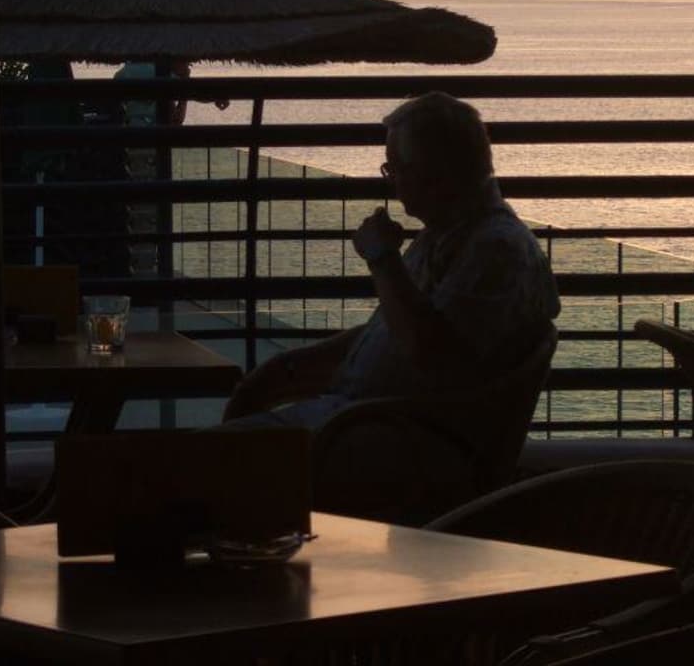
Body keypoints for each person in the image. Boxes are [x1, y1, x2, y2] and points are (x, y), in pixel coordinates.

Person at [224, 91, 560, 430]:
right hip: (362, 424)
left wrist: (383, 258)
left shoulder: (495, 251)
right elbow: (395, 329)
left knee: (209, 451)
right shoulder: (451, 236)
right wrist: (281, 370)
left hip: (375, 437)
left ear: (436, 173)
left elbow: (432, 353)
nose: (392, 182)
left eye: (396, 168)